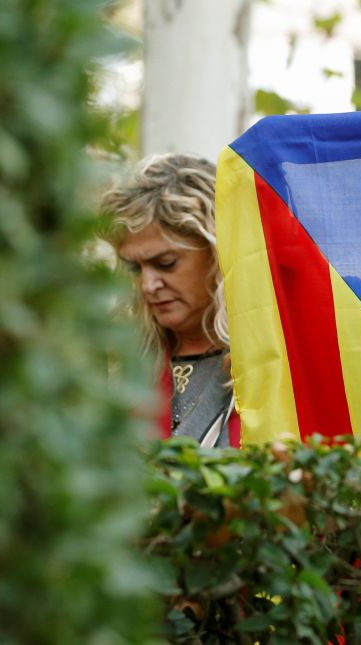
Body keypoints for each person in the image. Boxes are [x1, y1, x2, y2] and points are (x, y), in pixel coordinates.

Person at [102, 153, 239, 447]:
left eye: (166, 263)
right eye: (134, 269)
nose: (148, 285)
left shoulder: (273, 364)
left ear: (217, 253)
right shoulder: (111, 361)